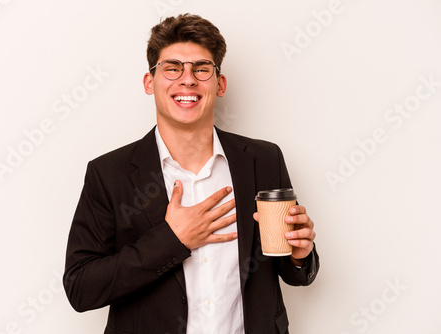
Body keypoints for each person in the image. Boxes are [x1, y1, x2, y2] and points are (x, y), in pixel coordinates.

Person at [63, 14, 319, 334]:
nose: (187, 80)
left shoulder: (264, 160)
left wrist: (300, 254)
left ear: (219, 84)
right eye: (172, 68)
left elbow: (290, 270)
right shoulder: (108, 173)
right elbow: (80, 287)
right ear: (149, 82)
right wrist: (172, 240)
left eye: (201, 68)